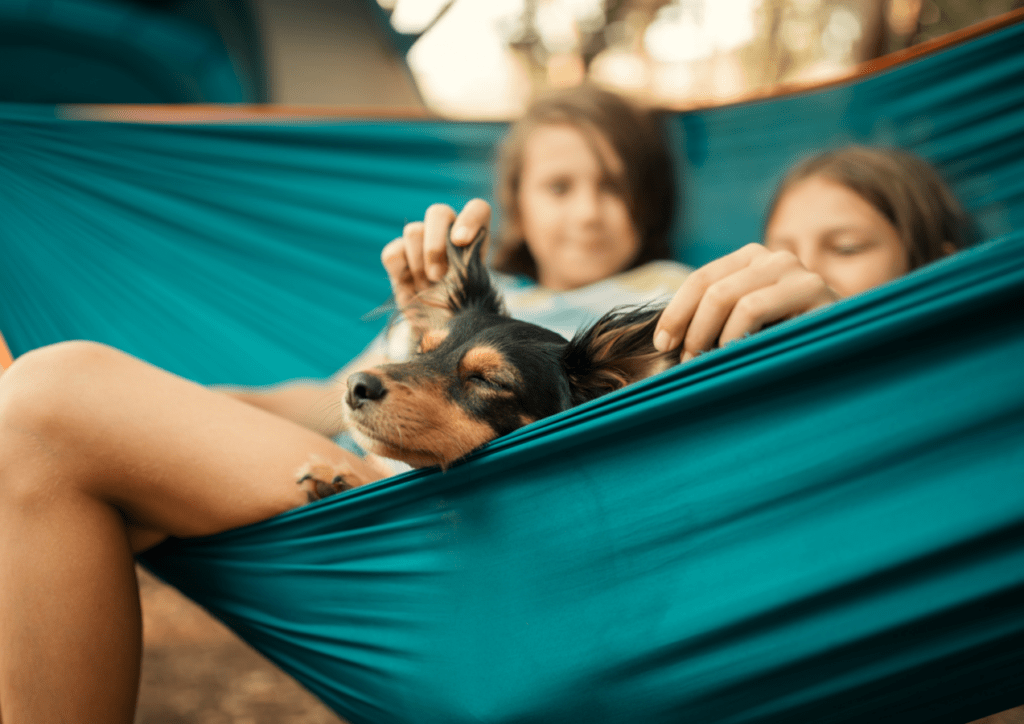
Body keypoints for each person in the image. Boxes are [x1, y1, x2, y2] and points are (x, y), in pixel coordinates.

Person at [0, 133, 967, 720]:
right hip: (365, 526)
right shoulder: (488, 309)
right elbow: (329, 396)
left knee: (51, 402)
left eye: (836, 250)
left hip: (490, 554)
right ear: (517, 211)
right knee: (52, 435)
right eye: (779, 242)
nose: (774, 264)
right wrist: (418, 329)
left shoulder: (680, 309)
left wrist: (827, 318)